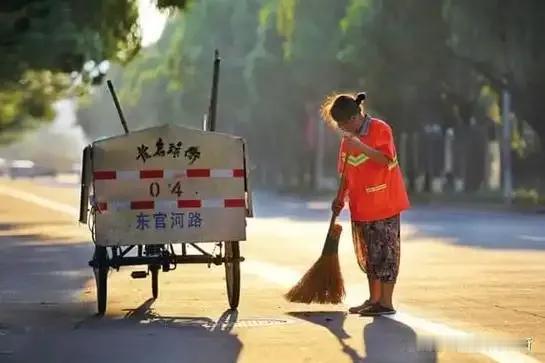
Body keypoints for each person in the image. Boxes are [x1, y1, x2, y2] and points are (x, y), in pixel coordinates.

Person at [320, 91, 410, 316]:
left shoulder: (380, 129)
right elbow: (346, 173)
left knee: (386, 253)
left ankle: (386, 303)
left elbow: (386, 160)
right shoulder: (346, 141)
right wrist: (339, 198)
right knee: (369, 254)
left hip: (384, 203)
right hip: (361, 206)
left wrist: (361, 147)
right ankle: (374, 299)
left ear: (352, 119)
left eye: (342, 124)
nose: (341, 129)